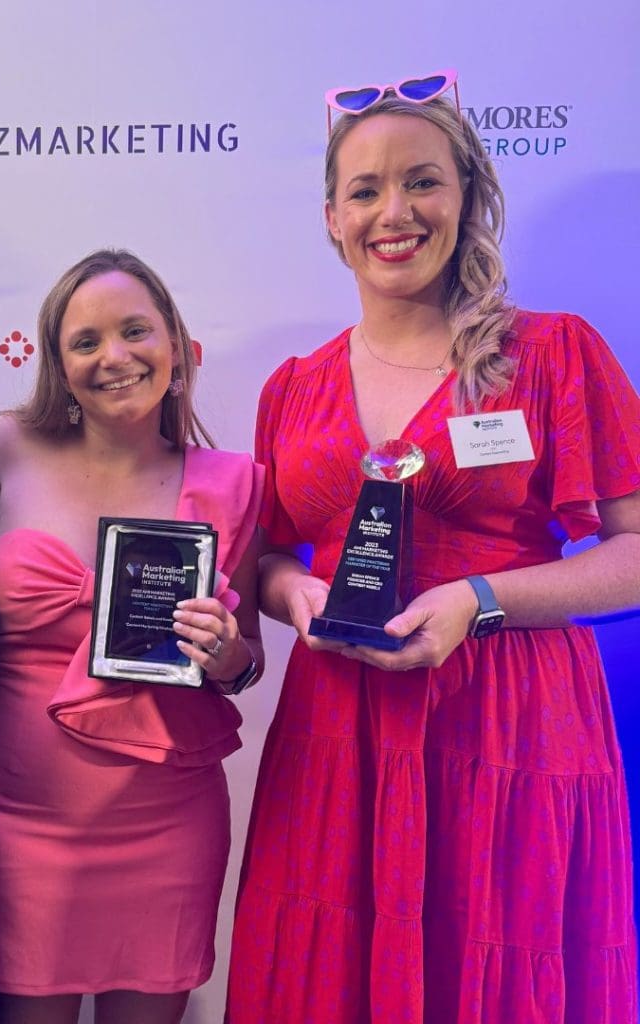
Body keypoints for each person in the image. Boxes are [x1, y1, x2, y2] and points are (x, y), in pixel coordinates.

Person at [227, 72, 640, 1024]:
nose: (394, 212)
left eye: (422, 181)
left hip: (512, 720)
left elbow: (631, 551)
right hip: (340, 724)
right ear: (331, 218)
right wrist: (298, 601)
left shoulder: (554, 352)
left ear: (468, 197)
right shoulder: (293, 387)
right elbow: (270, 558)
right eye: (364, 190)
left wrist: (479, 601)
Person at [0, 249, 265, 1024]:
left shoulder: (236, 481)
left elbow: (246, 661)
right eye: (86, 341)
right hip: (17, 822)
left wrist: (224, 651)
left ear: (174, 345)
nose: (114, 357)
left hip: (165, 822)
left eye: (135, 331)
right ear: (58, 366)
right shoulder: (7, 449)